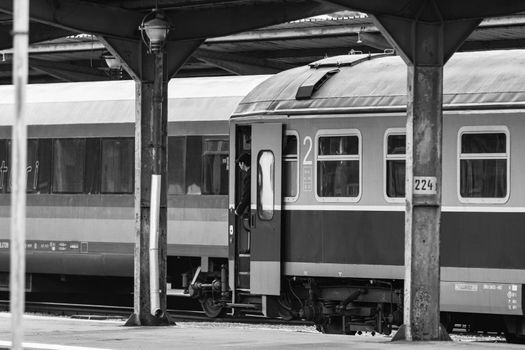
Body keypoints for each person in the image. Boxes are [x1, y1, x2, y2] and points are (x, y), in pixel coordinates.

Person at [234, 152, 251, 216]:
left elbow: (247, 195)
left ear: (243, 163)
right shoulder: (253, 172)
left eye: (239, 163)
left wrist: (238, 210)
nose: (239, 165)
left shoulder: (249, 176)